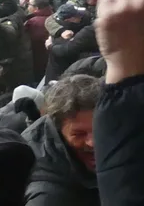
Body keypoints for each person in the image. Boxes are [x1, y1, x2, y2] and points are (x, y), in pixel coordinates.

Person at [22, 75, 100, 205]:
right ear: (58, 129)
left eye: (99, 130)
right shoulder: (47, 195)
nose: (92, 142)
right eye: (79, 134)